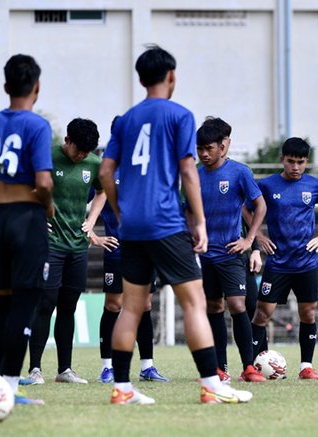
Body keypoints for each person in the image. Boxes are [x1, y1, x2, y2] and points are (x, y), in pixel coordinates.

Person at [99, 44, 252, 404]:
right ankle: (211, 385)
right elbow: (188, 171)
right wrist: (198, 221)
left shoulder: (125, 120)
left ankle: (121, 389)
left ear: (140, 79)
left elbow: (106, 171)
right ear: (171, 77)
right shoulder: (180, 115)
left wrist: (121, 213)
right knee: (195, 304)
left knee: (131, 307)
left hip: (131, 228)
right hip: (167, 224)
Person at [0, 54, 54, 404]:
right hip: (28, 219)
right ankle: (11, 389)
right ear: (37, 87)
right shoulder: (36, 125)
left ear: (5, 86)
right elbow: (44, 182)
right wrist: (45, 205)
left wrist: (0, 192)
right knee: (25, 303)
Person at [250, 137, 318, 380]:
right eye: (291, 162)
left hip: (306, 262)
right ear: (282, 160)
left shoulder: (315, 185)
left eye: (300, 162)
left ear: (306, 162)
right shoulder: (267, 185)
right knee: (262, 314)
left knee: (308, 313)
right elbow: (247, 208)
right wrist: (258, 235)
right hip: (277, 262)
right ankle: (251, 367)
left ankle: (306, 367)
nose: (296, 167)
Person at [25, 118, 104, 385]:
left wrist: (92, 220)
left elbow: (103, 192)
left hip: (78, 246)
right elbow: (26, 189)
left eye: (87, 152)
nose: (82, 155)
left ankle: (64, 370)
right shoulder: (46, 156)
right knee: (45, 304)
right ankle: (35, 369)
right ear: (67, 141)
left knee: (68, 308)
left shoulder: (93, 164)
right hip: (50, 246)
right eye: (78, 150)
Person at [194, 120, 267, 383]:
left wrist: (249, 241)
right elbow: (187, 210)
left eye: (208, 148)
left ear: (223, 146)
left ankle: (249, 367)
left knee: (237, 305)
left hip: (230, 252)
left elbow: (260, 207)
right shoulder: (194, 174)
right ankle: (219, 367)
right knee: (213, 307)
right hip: (204, 255)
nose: (203, 153)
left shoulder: (239, 173)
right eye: (199, 148)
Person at [94, 165, 169, 384]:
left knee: (145, 305)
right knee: (113, 305)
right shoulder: (107, 172)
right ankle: (107, 368)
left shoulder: (148, 170)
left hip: (146, 249)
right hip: (117, 251)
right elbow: (85, 198)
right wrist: (92, 233)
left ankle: (147, 367)